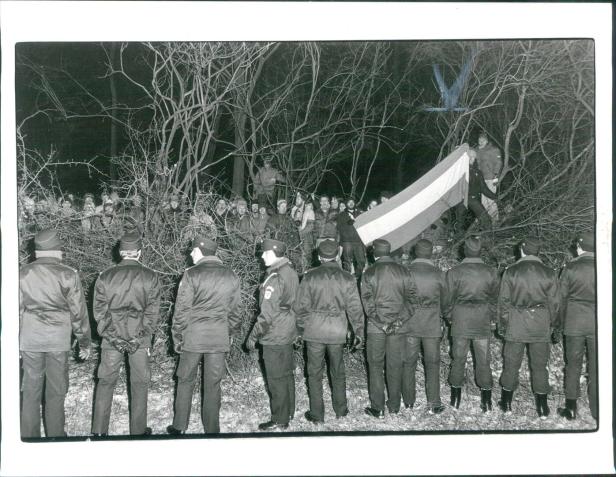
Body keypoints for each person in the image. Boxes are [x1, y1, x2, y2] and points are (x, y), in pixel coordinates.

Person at [19, 229, 91, 438]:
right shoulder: (68, 274)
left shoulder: (23, 273)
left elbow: (15, 311)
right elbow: (78, 313)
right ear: (57, 249)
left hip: (30, 339)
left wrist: (16, 342)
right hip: (58, 340)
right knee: (57, 390)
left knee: (30, 391)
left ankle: (29, 438)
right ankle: (56, 436)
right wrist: (84, 342)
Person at [167, 236, 241, 434]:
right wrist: (231, 333)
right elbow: (235, 311)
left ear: (200, 251)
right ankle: (212, 429)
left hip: (192, 337)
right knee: (213, 383)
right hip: (218, 337)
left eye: (193, 250)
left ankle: (180, 425)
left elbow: (181, 311)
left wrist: (177, 337)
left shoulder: (191, 274)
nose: (190, 253)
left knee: (185, 380)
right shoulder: (231, 275)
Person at [91, 232, 161, 436]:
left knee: (105, 382)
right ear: (139, 253)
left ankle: (98, 431)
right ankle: (138, 431)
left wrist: (114, 338)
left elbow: (100, 313)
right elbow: (152, 313)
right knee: (139, 383)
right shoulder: (151, 276)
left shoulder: (105, 276)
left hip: (111, 340)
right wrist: (137, 338)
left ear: (120, 252)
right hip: (139, 339)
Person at [294, 240, 364, 423]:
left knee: (314, 373)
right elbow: (355, 309)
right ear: (338, 255)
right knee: (338, 371)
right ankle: (341, 410)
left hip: (314, 330)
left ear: (319, 257)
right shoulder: (347, 278)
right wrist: (359, 332)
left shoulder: (309, 277)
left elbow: (300, 308)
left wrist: (298, 330)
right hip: (337, 331)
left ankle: (317, 415)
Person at [497, 236, 560, 418]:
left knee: (510, 364)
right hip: (540, 323)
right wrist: (556, 326)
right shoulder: (549, 272)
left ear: (522, 250)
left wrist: (503, 325)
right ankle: (542, 408)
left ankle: (506, 404)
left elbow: (504, 302)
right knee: (540, 366)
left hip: (516, 322)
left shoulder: (511, 271)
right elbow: (555, 304)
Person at [245, 239, 299, 431]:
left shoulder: (274, 278)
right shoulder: (291, 272)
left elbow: (266, 314)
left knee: (275, 377)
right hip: (287, 329)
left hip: (274, 332)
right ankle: (290, 410)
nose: (261, 256)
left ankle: (280, 418)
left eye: (265, 253)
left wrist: (253, 337)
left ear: (274, 254)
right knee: (286, 373)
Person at [361, 239, 416, 418]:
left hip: (376, 328)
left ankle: (377, 407)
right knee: (395, 365)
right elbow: (413, 301)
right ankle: (394, 405)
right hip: (398, 328)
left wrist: (382, 323)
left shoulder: (369, 272)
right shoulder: (404, 271)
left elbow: (367, 305)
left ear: (374, 253)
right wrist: (398, 322)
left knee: (375, 366)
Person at [443, 236, 500, 412]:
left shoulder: (454, 272)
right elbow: (496, 299)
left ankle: (455, 400)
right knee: (483, 360)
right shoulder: (491, 272)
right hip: (482, 319)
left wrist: (450, 316)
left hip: (460, 319)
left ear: (465, 251)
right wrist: (492, 318)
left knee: (458, 359)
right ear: (480, 251)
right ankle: (487, 402)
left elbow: (446, 300)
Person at [403, 239, 447, 414]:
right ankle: (434, 403)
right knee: (433, 363)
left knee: (408, 363)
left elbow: (401, 298)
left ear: (415, 253)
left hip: (410, 323)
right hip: (431, 324)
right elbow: (446, 300)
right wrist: (442, 316)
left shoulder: (406, 272)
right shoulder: (439, 274)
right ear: (431, 253)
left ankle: (408, 401)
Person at [557, 232, 596, 421]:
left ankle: (571, 408)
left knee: (573, 365)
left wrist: (559, 323)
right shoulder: (605, 265)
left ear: (580, 248)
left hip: (574, 322)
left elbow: (560, 298)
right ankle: (597, 409)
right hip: (598, 323)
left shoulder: (571, 267)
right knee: (596, 365)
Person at [455, 148, 497, 233]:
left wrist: (495, 197)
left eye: (474, 157)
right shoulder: (459, 170)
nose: (472, 159)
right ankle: (458, 241)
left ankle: (486, 240)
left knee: (486, 220)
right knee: (459, 223)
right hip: (461, 200)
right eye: (470, 157)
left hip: (473, 200)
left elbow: (483, 188)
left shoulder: (478, 172)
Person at [337, 197, 366, 280]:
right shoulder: (342, 215)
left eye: (352, 202)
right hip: (347, 242)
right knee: (347, 262)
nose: (351, 203)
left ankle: (357, 277)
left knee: (361, 261)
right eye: (349, 202)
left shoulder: (359, 213)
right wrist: (349, 223)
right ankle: (348, 279)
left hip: (358, 241)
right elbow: (339, 228)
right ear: (346, 204)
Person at [476, 132, 502, 222]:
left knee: (491, 200)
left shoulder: (493, 149)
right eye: (479, 139)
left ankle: (495, 220)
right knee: (483, 202)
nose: (481, 141)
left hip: (491, 178)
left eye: (483, 140)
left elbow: (498, 163)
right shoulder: (477, 150)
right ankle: (488, 220)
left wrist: (496, 176)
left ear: (487, 141)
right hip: (481, 179)